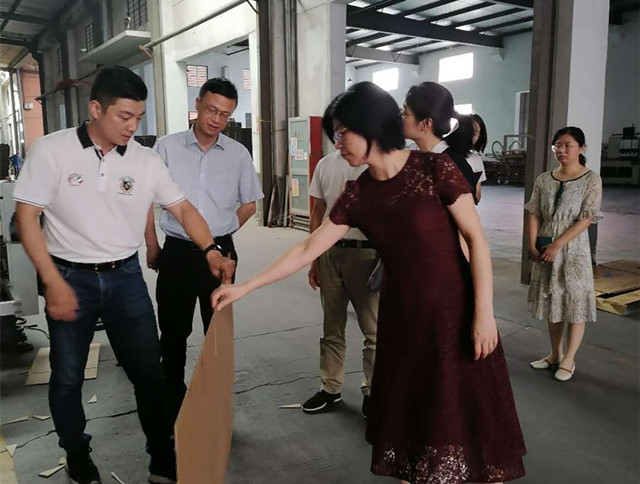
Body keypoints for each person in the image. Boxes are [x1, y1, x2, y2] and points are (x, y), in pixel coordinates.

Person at [211, 82, 526, 483]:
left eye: (343, 132)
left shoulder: (434, 169)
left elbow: (476, 241)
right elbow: (307, 248)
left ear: (371, 126)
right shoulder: (358, 194)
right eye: (335, 134)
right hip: (403, 319)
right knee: (415, 415)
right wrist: (244, 287)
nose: (337, 143)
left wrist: (484, 314)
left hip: (455, 314)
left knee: (464, 417)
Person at [14, 66, 235, 484]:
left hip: (126, 279)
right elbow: (26, 217)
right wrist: (52, 281)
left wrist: (210, 249)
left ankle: (162, 457)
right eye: (124, 116)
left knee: (149, 373)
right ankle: (77, 455)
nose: (133, 126)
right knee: (67, 378)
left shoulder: (145, 160)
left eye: (139, 117)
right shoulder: (52, 150)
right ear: (96, 109)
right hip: (69, 276)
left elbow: (182, 208)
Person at [145, 77, 263, 423]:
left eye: (225, 115)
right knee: (173, 331)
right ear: (197, 104)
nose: (216, 119)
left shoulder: (238, 154)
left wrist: (222, 234)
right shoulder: (166, 148)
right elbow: (145, 200)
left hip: (222, 254)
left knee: (217, 333)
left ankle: (215, 404)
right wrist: (152, 244)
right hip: (177, 252)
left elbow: (250, 204)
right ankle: (174, 402)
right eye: (212, 110)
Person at [303, 150, 379, 417]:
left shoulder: (376, 164)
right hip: (330, 253)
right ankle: (330, 389)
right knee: (332, 327)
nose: (341, 135)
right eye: (338, 130)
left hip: (367, 255)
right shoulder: (325, 164)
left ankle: (373, 391)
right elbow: (318, 211)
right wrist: (314, 258)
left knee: (374, 331)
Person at [526, 126, 602, 382]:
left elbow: (586, 219)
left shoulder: (591, 179)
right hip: (546, 243)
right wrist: (532, 244)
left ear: (581, 148)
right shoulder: (544, 179)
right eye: (557, 145)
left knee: (574, 301)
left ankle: (569, 358)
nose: (561, 150)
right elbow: (534, 212)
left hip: (574, 247)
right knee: (553, 301)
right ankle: (554, 354)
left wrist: (557, 244)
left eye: (567, 145)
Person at [401, 81, 481, 204]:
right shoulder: (416, 159)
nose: (401, 119)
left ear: (426, 123)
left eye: (405, 114)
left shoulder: (452, 165)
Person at [468, 113, 488, 202]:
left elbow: (478, 194)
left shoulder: (476, 160)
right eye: (469, 131)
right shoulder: (446, 156)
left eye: (475, 133)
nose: (471, 136)